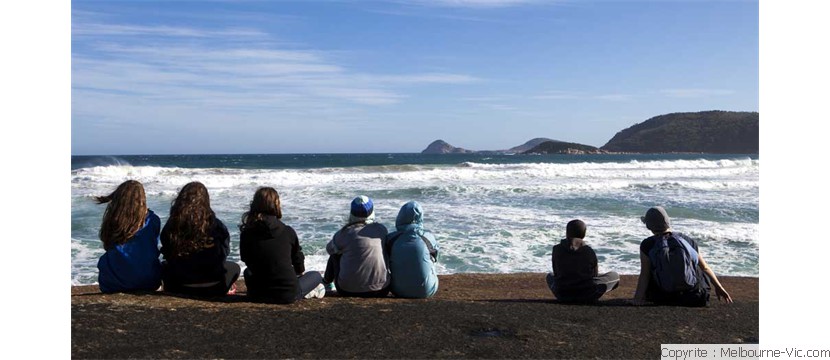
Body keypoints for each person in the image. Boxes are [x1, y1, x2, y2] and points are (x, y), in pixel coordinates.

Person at [632, 206, 733, 307]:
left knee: (651, 269)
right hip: (693, 297)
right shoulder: (687, 240)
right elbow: (705, 268)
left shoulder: (647, 244)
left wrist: (637, 298)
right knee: (698, 266)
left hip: (662, 297)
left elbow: (645, 274)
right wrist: (719, 287)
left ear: (649, 226)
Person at [239, 187, 325, 304]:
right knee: (315, 275)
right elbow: (297, 259)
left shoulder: (247, 233)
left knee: (247, 272)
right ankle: (308, 291)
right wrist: (299, 271)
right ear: (276, 205)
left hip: (258, 294)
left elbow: (246, 258)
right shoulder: (287, 231)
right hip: (287, 294)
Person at [160, 181, 240, 297]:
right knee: (234, 267)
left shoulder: (172, 226)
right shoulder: (217, 226)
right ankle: (227, 287)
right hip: (214, 287)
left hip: (179, 286)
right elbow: (223, 254)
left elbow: (167, 252)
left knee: (163, 266)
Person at [95, 180, 162, 293]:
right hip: (148, 282)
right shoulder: (153, 220)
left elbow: (106, 243)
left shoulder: (113, 219)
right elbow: (152, 247)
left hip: (113, 282)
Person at [323, 196, 391, 297]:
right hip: (382, 289)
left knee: (335, 252)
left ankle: (326, 282)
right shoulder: (381, 230)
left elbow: (329, 249)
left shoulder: (344, 233)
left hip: (347, 290)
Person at [545, 219, 620, 303]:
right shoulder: (588, 251)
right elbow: (593, 275)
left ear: (567, 233)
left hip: (562, 294)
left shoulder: (556, 249)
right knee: (615, 276)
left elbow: (556, 273)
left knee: (549, 276)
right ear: (584, 234)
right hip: (587, 295)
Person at [385, 201, 440, 298]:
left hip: (397, 290)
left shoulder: (391, 239)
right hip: (426, 291)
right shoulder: (428, 237)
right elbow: (436, 257)